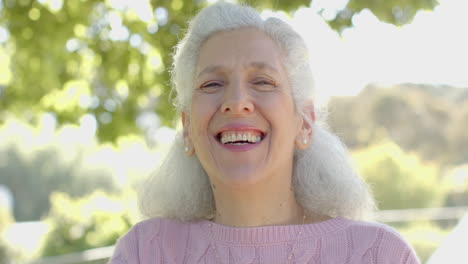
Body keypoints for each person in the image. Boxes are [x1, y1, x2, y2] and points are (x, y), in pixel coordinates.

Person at [109, 2, 420, 263]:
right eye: (212, 84)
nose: (236, 102)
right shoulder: (145, 252)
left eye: (263, 82)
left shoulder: (379, 255)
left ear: (305, 123)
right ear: (187, 129)